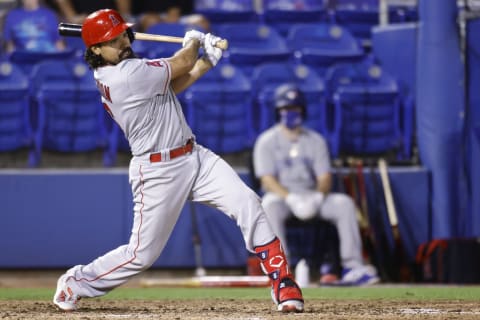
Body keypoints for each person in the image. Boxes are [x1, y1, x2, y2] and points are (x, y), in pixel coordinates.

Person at [52, 8, 304, 313]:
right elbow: (182, 62)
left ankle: (283, 282)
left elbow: (172, 87)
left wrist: (206, 62)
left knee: (248, 203)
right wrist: (193, 40)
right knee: (141, 255)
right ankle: (76, 281)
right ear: (96, 49)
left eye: (123, 36)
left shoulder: (131, 70)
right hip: (157, 170)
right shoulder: (125, 75)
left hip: (194, 156)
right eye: (113, 41)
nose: (123, 43)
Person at [252, 83, 380, 286]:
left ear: (302, 110)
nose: (290, 113)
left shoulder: (315, 140)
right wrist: (290, 198)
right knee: (268, 205)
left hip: (312, 195)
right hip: (283, 197)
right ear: (279, 111)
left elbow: (324, 177)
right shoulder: (266, 140)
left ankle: (353, 267)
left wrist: (318, 196)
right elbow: (267, 179)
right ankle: (279, 269)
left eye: (294, 109)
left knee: (343, 204)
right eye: (286, 109)